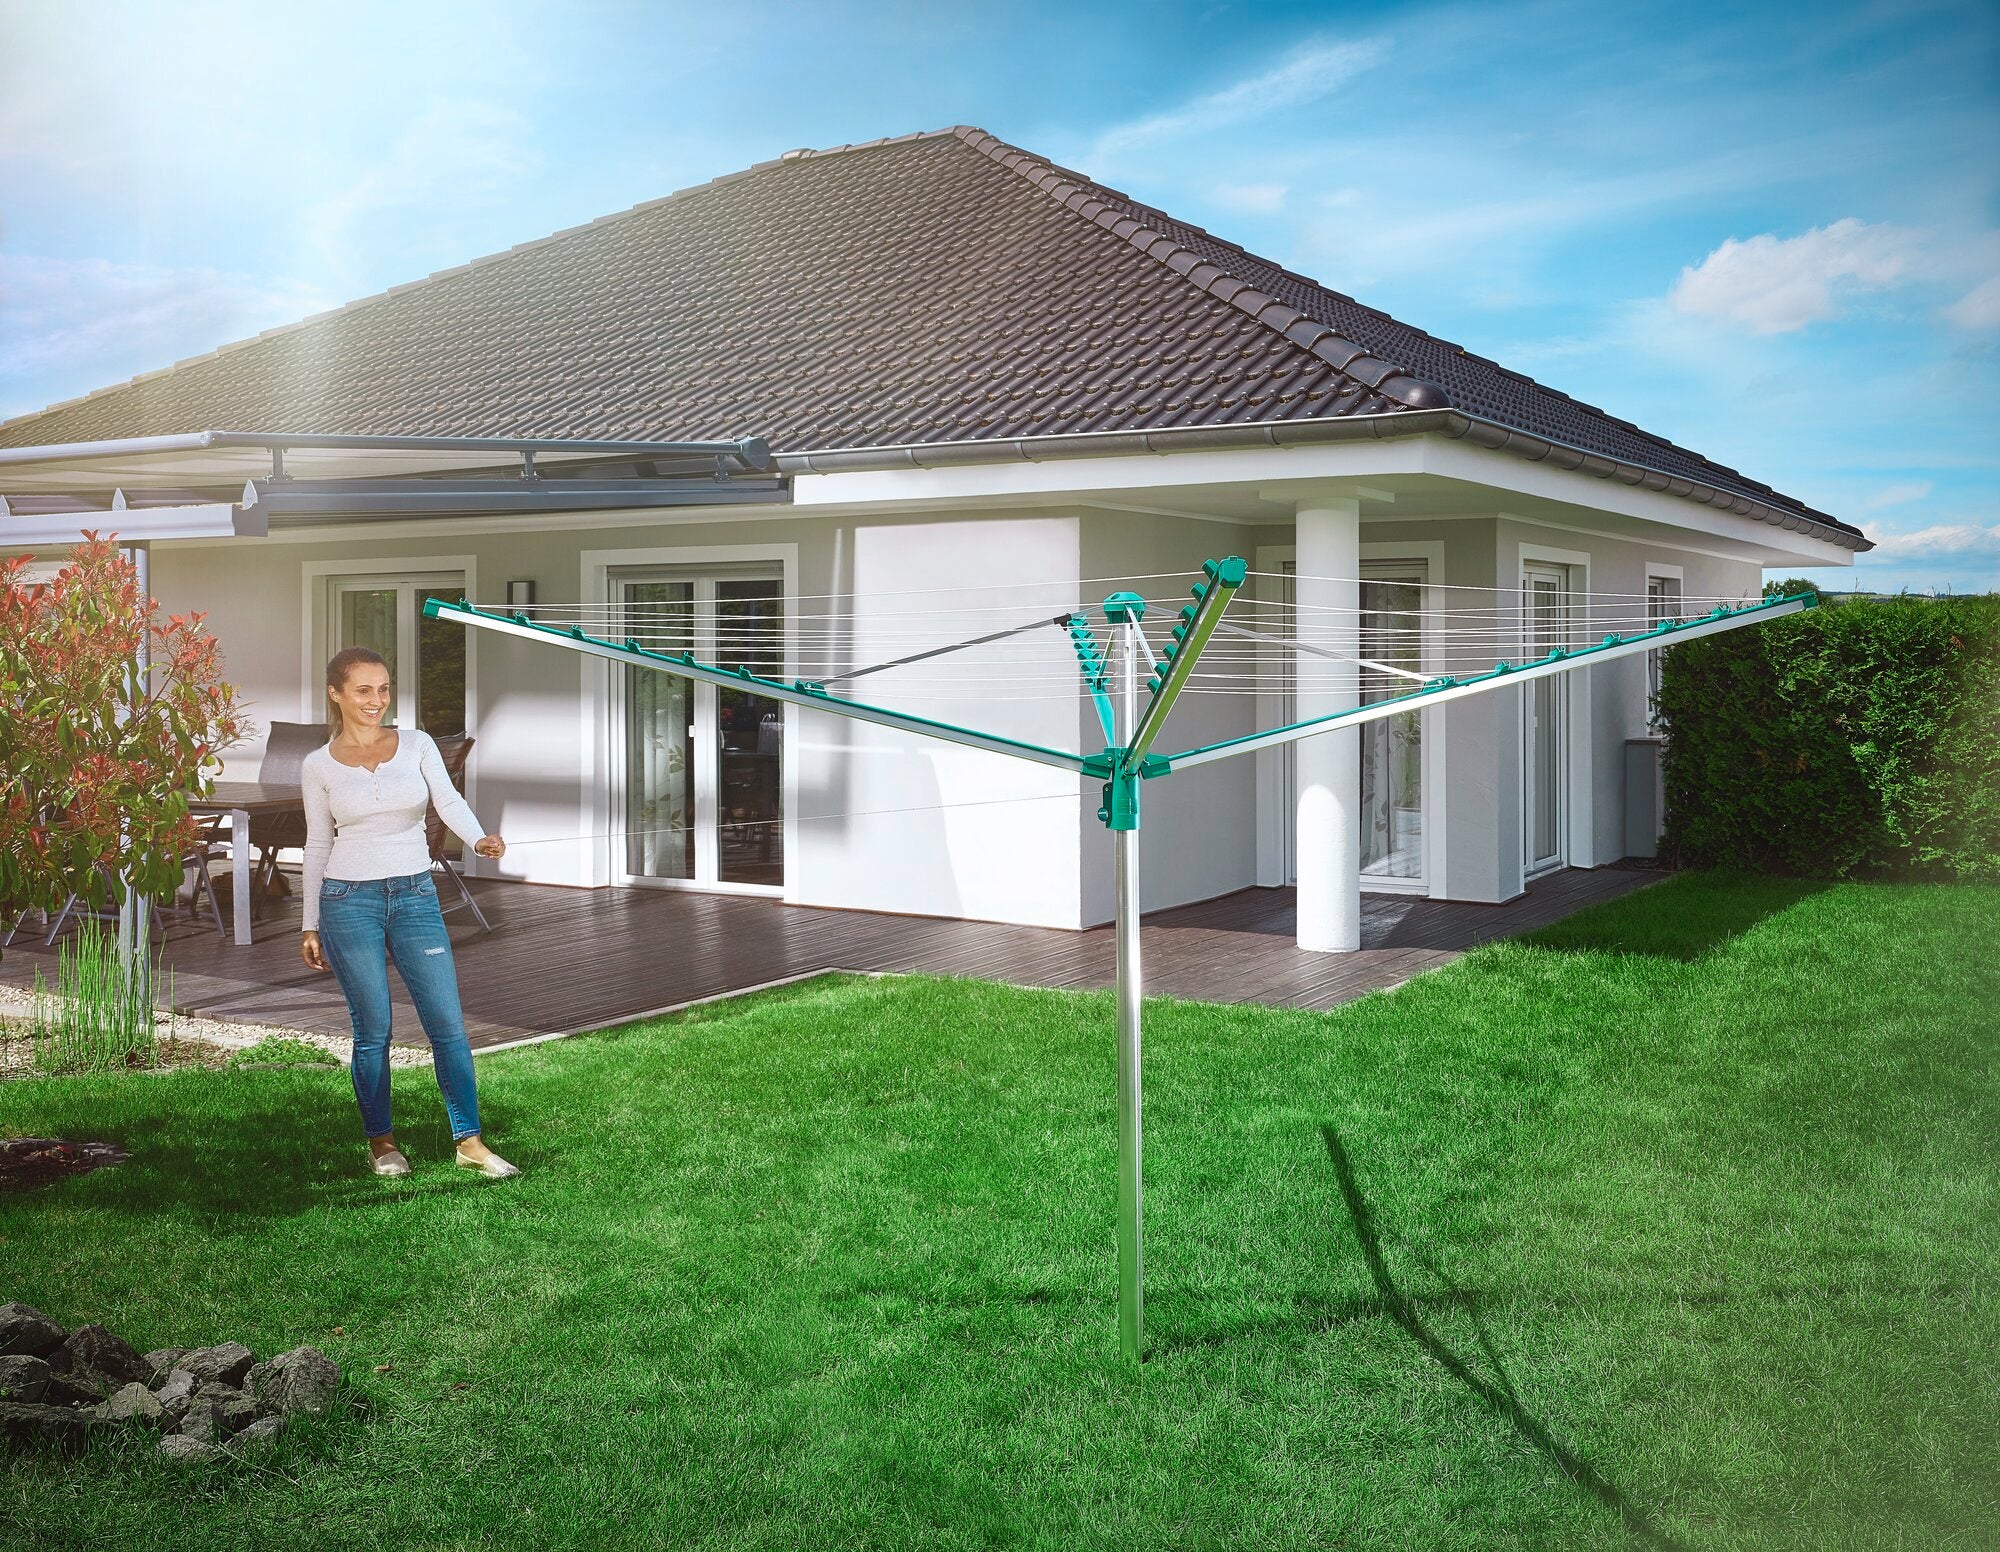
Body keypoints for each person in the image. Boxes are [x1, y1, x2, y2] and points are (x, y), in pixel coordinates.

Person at [298, 646, 519, 1180]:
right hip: (348, 901)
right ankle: (382, 1143)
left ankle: (469, 1141)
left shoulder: (417, 744)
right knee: (373, 1028)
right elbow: (317, 843)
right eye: (363, 690)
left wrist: (479, 838)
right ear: (336, 694)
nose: (377, 700)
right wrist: (309, 922)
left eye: (383, 688)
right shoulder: (318, 765)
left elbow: (448, 801)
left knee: (447, 1024)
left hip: (416, 895)